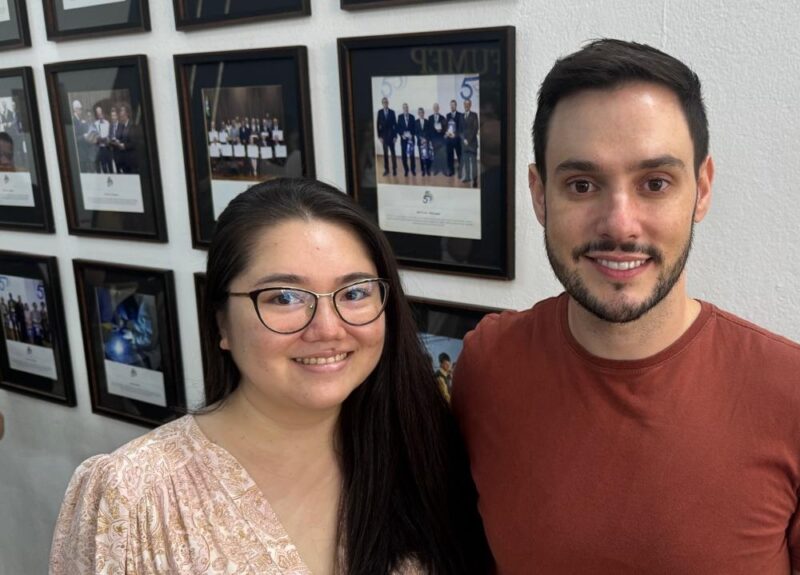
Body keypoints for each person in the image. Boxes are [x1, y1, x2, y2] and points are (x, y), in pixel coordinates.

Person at [452, 39, 800, 574]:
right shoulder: (487, 363)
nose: (619, 223)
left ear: (701, 190)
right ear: (540, 195)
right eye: (582, 184)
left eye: (655, 184)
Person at [51, 178, 492, 574]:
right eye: (284, 297)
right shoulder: (131, 496)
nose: (328, 328)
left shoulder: (424, 453)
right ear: (221, 322)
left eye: (355, 292)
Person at [377, 97, 398, 176]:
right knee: (385, 154)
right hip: (384, 137)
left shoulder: (392, 112)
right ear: (382, 103)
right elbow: (377, 124)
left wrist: (395, 136)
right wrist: (379, 137)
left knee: (393, 153)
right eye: (383, 102)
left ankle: (394, 169)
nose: (385, 103)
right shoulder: (380, 112)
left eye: (386, 102)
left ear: (388, 103)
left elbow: (395, 125)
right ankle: (387, 170)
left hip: (392, 136)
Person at [460, 99, 479, 187]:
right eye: (465, 104)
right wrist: (464, 139)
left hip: (472, 144)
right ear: (464, 105)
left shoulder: (474, 115)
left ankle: (475, 180)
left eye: (468, 104)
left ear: (470, 105)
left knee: (474, 163)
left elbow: (475, 129)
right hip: (464, 144)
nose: (466, 106)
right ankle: (467, 177)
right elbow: (460, 130)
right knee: (466, 161)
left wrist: (468, 140)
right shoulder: (461, 116)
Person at [397, 103, 417, 177]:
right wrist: (402, 135)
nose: (405, 108)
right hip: (403, 140)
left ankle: (413, 169)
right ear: (403, 109)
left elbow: (414, 128)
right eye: (404, 107)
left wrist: (412, 135)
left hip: (411, 140)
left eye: (406, 107)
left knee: (412, 155)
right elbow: (398, 128)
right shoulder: (400, 117)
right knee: (404, 156)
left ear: (408, 108)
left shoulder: (412, 117)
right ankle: (406, 170)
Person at [444, 100, 462, 178]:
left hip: (457, 140)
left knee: (460, 156)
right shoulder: (447, 115)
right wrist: (447, 133)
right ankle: (451, 171)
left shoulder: (460, 115)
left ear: (456, 106)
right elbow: (447, 127)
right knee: (450, 156)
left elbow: (461, 128)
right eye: (451, 105)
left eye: (453, 105)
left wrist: (455, 134)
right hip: (449, 140)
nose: (452, 106)